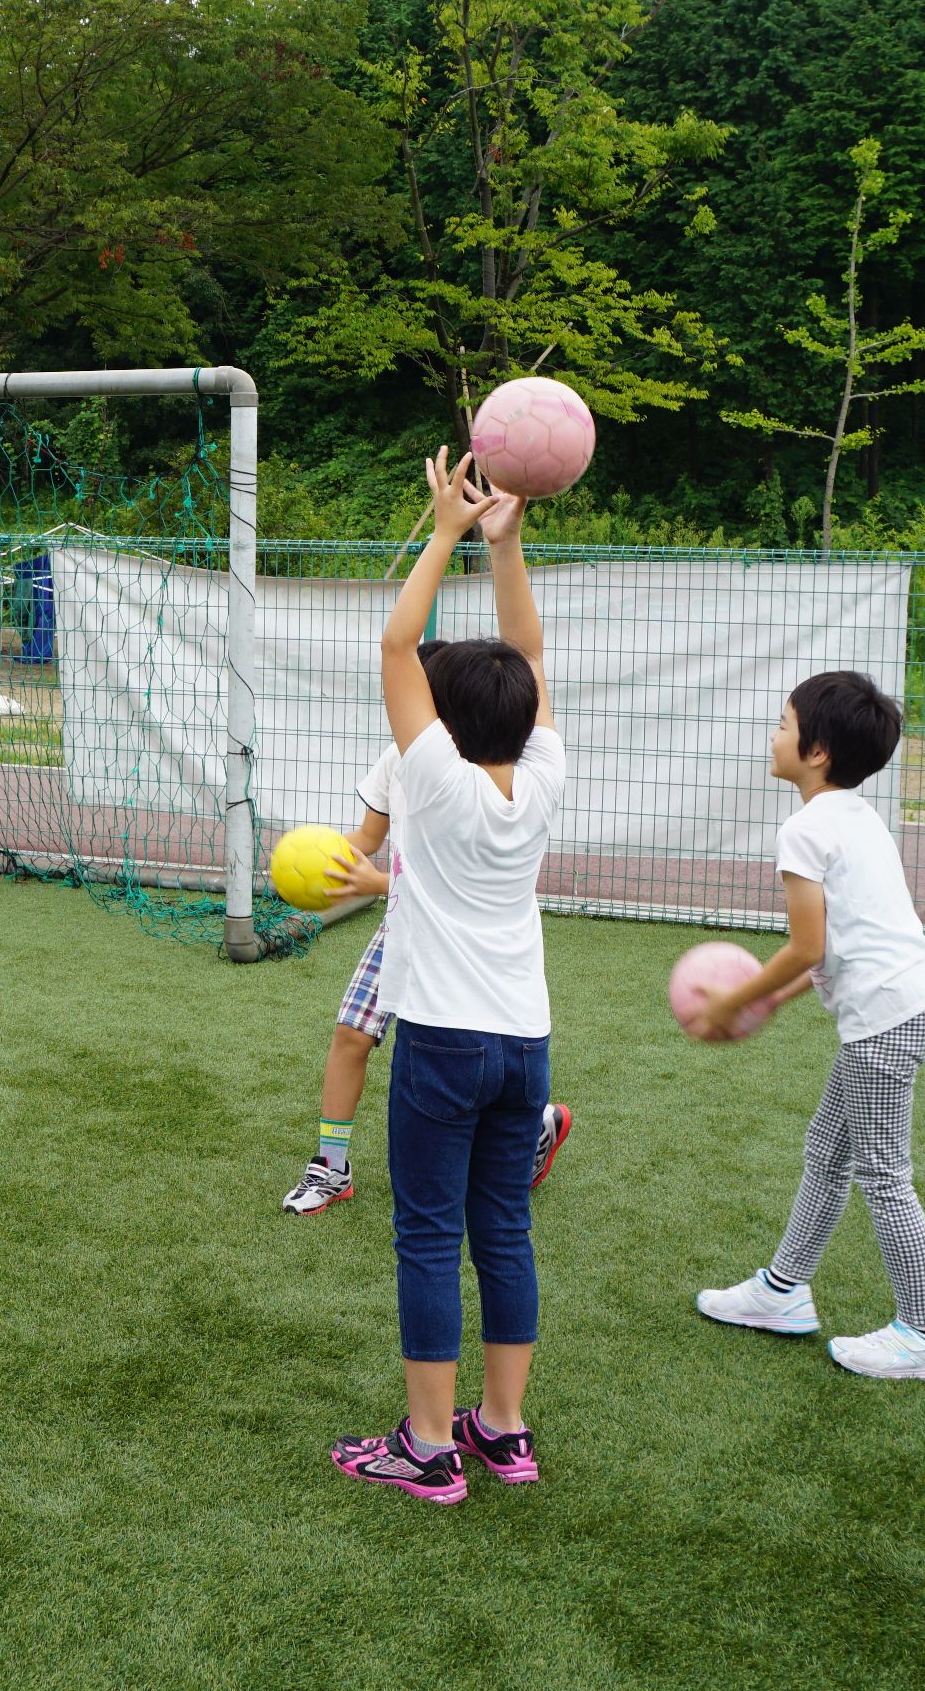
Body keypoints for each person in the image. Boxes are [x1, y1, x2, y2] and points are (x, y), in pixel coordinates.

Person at [330, 451, 565, 1505]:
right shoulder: (544, 771)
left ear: (444, 723)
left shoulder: (432, 779)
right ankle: (502, 1428)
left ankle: (428, 1444)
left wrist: (443, 531)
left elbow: (394, 642)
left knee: (428, 1236)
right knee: (502, 1230)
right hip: (525, 1044)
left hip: (441, 1038)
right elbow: (527, 647)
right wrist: (505, 543)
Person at [689, 672, 925, 1381]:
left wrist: (731, 1002)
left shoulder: (806, 828)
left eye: (782, 724)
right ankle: (782, 1290)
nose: (772, 736)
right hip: (909, 1005)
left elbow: (808, 946)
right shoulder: (856, 814)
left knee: (882, 1175)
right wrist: (774, 1002)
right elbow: (847, 936)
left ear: (815, 752)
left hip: (885, 1022)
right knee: (827, 1149)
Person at [281, 713, 573, 1218]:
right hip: (404, 925)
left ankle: (528, 1134)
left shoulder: (484, 769)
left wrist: (376, 884)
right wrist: (312, 860)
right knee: (351, 1034)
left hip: (466, 938)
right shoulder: (398, 758)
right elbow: (368, 840)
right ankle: (331, 1168)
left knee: (473, 1055)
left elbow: (461, 881)